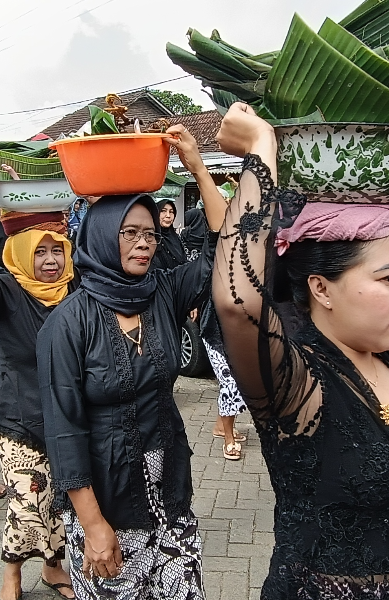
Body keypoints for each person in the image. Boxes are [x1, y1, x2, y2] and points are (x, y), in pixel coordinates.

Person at [211, 103, 389, 600]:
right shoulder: (298, 385)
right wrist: (260, 153)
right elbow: (238, 302)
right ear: (321, 287)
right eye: (387, 279)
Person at [37, 125, 227, 600]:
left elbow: (226, 244)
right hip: (107, 505)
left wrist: (198, 166)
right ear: (102, 237)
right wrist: (93, 525)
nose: (144, 243)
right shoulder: (67, 324)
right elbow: (63, 432)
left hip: (169, 495)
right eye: (129, 233)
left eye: (149, 233)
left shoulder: (161, 292)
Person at [0, 211, 76, 600]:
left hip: (69, 418)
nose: (51, 261)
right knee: (27, 505)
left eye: (57, 250)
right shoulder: (7, 291)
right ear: (18, 254)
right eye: (39, 252)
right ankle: (11, 574)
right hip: (20, 420)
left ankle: (53, 568)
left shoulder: (74, 291)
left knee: (63, 500)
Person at [150, 199, 184, 272]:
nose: (168, 216)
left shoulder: (175, 238)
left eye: (171, 212)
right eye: (163, 211)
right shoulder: (151, 239)